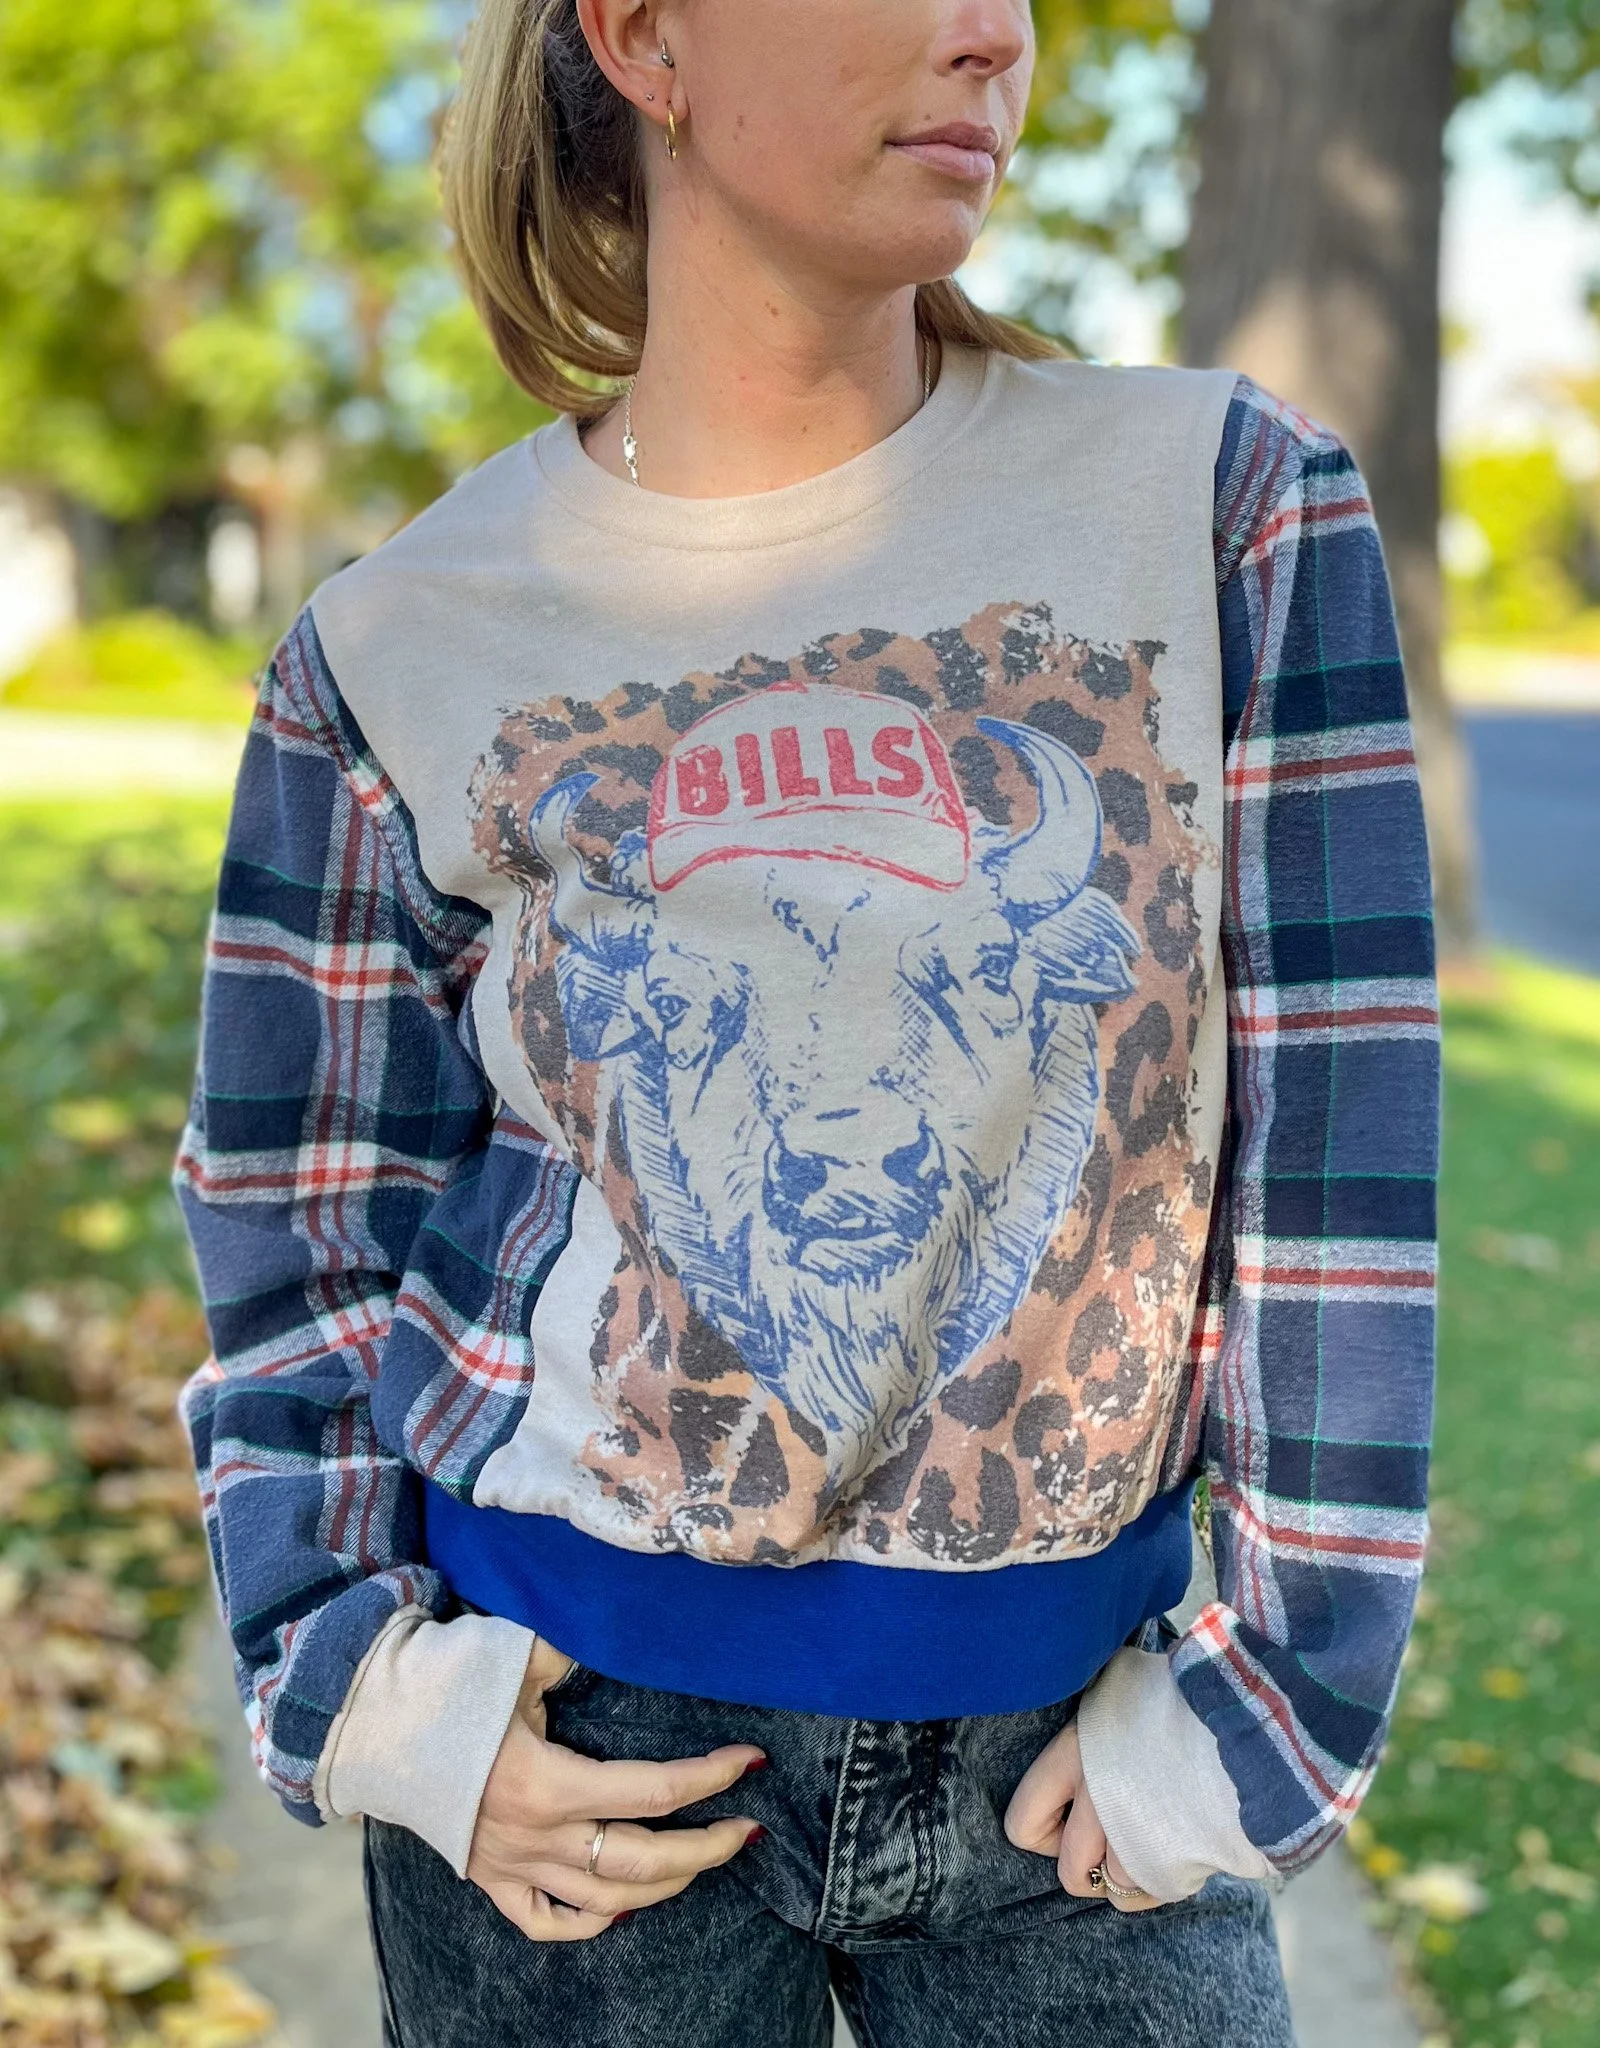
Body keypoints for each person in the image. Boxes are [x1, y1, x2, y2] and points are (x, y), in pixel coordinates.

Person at [174, 1, 1440, 2042]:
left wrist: (1273, 1705)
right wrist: (373, 1694)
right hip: (563, 1740)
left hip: (1082, 1760)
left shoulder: (1221, 507)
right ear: (645, 34)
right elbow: (293, 1219)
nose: (994, 33)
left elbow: (1339, 1169)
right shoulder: (390, 643)